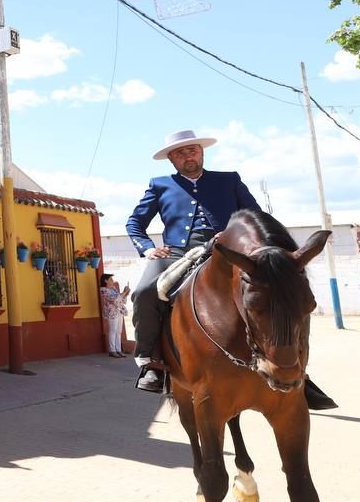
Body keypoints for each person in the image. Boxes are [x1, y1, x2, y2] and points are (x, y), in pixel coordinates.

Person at [126, 129, 337, 410]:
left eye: (192, 150)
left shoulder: (229, 180)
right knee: (144, 292)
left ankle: (301, 370)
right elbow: (134, 223)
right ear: (171, 160)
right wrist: (148, 248)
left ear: (202, 152)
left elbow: (256, 215)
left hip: (230, 253)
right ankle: (151, 363)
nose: (187, 156)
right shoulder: (159, 185)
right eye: (180, 153)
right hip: (178, 253)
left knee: (287, 294)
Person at [99, 273, 129, 358]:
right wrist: (123, 292)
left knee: (118, 331)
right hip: (111, 312)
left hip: (119, 311)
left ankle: (118, 350)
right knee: (113, 331)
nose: (112, 281)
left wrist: (125, 293)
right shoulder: (103, 290)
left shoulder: (113, 288)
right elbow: (114, 299)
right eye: (111, 279)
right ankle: (112, 350)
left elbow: (121, 300)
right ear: (106, 281)